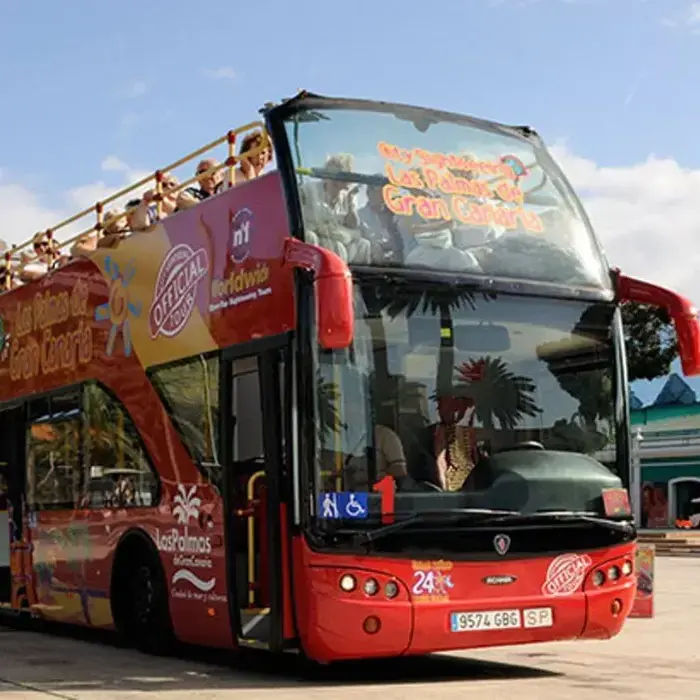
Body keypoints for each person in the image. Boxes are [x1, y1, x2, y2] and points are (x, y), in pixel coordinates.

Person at [300, 154, 371, 263]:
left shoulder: (348, 195)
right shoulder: (308, 190)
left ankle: (361, 279)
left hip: (339, 237)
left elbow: (353, 225)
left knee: (364, 244)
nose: (345, 182)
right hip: (317, 237)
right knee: (337, 248)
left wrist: (351, 203)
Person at [358, 182, 404, 263]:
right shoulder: (359, 215)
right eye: (379, 191)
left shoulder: (395, 214)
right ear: (369, 193)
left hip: (397, 261)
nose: (383, 195)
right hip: (372, 262)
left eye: (386, 192)